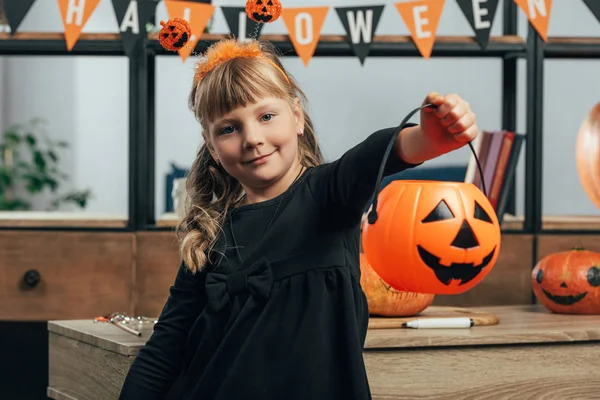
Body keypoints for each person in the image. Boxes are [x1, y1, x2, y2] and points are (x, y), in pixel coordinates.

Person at [118, 38, 478, 400]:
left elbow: (371, 157)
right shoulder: (209, 236)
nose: (253, 138)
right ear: (211, 145)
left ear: (297, 116)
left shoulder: (328, 195)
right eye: (229, 128)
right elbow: (165, 347)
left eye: (266, 116)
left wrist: (429, 138)